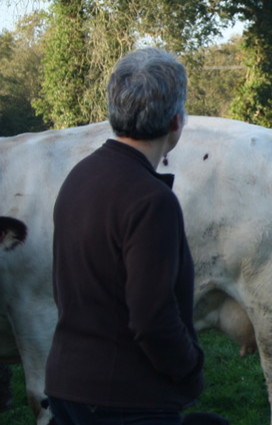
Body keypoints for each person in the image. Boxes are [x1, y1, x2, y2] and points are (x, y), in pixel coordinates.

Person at [46, 48, 206, 425]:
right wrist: (190, 368)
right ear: (175, 122)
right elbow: (152, 317)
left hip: (69, 388)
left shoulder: (80, 175)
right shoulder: (152, 201)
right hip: (126, 400)